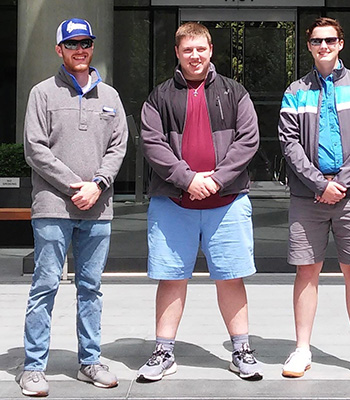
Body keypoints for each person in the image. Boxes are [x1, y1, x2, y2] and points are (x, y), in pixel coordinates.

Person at [138, 22, 263, 382]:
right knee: (171, 278)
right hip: (173, 202)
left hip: (227, 202)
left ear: (211, 51)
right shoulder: (159, 96)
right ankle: (164, 351)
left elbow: (248, 141)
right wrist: (188, 179)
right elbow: (153, 144)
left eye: (201, 49)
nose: (195, 55)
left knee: (230, 277)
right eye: (187, 49)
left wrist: (217, 180)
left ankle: (241, 349)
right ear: (177, 53)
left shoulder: (234, 91)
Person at [17, 18, 128, 397]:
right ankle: (33, 366)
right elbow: (35, 149)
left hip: (98, 208)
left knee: (91, 287)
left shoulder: (111, 97)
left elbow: (119, 148)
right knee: (45, 284)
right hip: (52, 207)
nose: (80, 49)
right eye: (72, 43)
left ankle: (90, 361)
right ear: (59, 49)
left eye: (86, 43)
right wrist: (73, 185)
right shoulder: (42, 93)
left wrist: (96, 185)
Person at [278, 17, 350, 380]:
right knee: (307, 271)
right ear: (308, 46)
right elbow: (288, 143)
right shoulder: (295, 90)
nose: (323, 46)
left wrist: (341, 181)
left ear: (341, 43)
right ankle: (301, 349)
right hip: (309, 196)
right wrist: (318, 184)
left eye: (329, 40)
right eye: (316, 41)